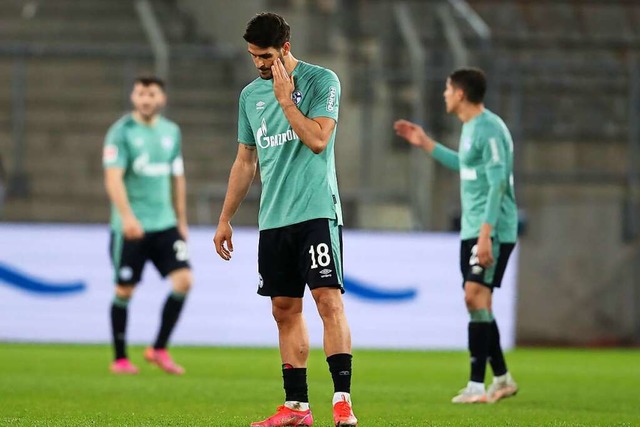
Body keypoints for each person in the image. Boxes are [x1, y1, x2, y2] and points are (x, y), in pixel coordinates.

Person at [213, 12, 358, 427]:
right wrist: (225, 218)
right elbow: (245, 160)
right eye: (253, 56)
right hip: (273, 218)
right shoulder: (248, 97)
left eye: (266, 55)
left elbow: (317, 139)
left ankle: (342, 402)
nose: (259, 63)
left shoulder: (321, 81)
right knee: (283, 308)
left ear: (286, 49)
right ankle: (297, 407)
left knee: (327, 299)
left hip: (315, 211)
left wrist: (284, 99)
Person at [394, 67, 519, 404]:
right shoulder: (471, 128)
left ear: (460, 93)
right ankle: (502, 378)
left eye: (448, 89)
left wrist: (486, 234)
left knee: (473, 297)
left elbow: (496, 183)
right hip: (474, 228)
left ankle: (478, 385)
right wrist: (425, 143)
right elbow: (465, 165)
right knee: (478, 301)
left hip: (490, 229)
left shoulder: (490, 129)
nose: (444, 94)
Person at [103, 76, 192, 375]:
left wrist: (181, 221)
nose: (145, 99)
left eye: (151, 94)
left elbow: (177, 177)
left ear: (161, 99)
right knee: (125, 290)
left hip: (165, 223)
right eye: (140, 93)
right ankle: (120, 358)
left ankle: (158, 349)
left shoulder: (171, 132)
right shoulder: (121, 132)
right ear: (133, 96)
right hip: (132, 227)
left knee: (184, 281)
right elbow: (113, 178)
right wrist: (127, 217)